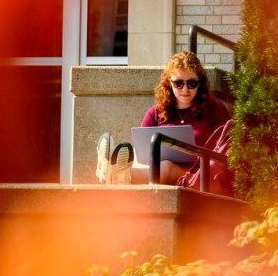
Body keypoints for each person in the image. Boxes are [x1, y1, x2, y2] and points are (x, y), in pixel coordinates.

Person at [97, 52, 232, 185]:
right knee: (146, 161)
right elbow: (142, 152)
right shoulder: (155, 113)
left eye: (191, 83)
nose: (185, 89)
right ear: (169, 83)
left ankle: (116, 176)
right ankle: (114, 172)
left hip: (197, 176)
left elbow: (224, 151)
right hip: (156, 170)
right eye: (179, 83)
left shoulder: (216, 111)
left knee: (166, 167)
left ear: (199, 83)